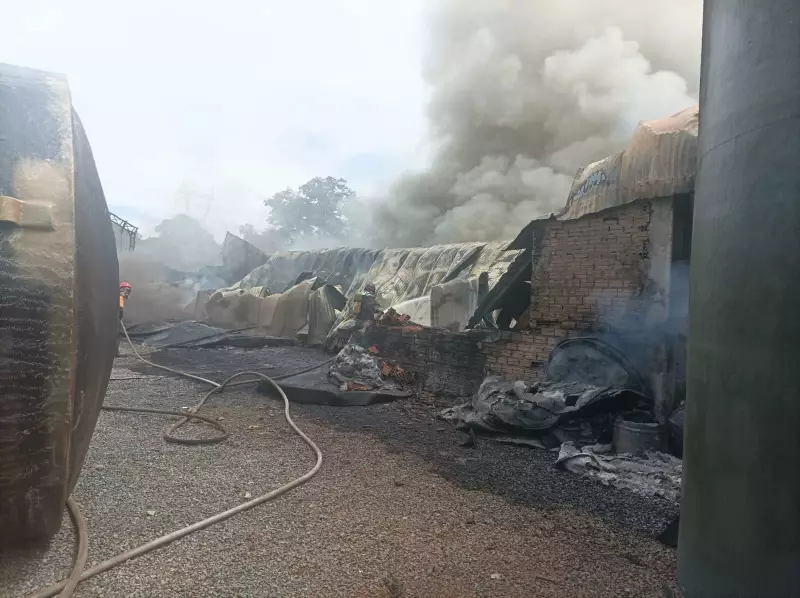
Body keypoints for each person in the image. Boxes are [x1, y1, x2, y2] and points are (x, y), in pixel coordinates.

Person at [117, 282, 132, 356]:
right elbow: (119, 308)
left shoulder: (120, 297)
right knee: (116, 335)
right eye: (127, 290)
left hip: (116, 318)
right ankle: (114, 352)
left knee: (117, 335)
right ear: (121, 289)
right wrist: (120, 316)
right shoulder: (119, 296)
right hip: (115, 319)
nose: (127, 293)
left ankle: (115, 352)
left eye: (129, 291)